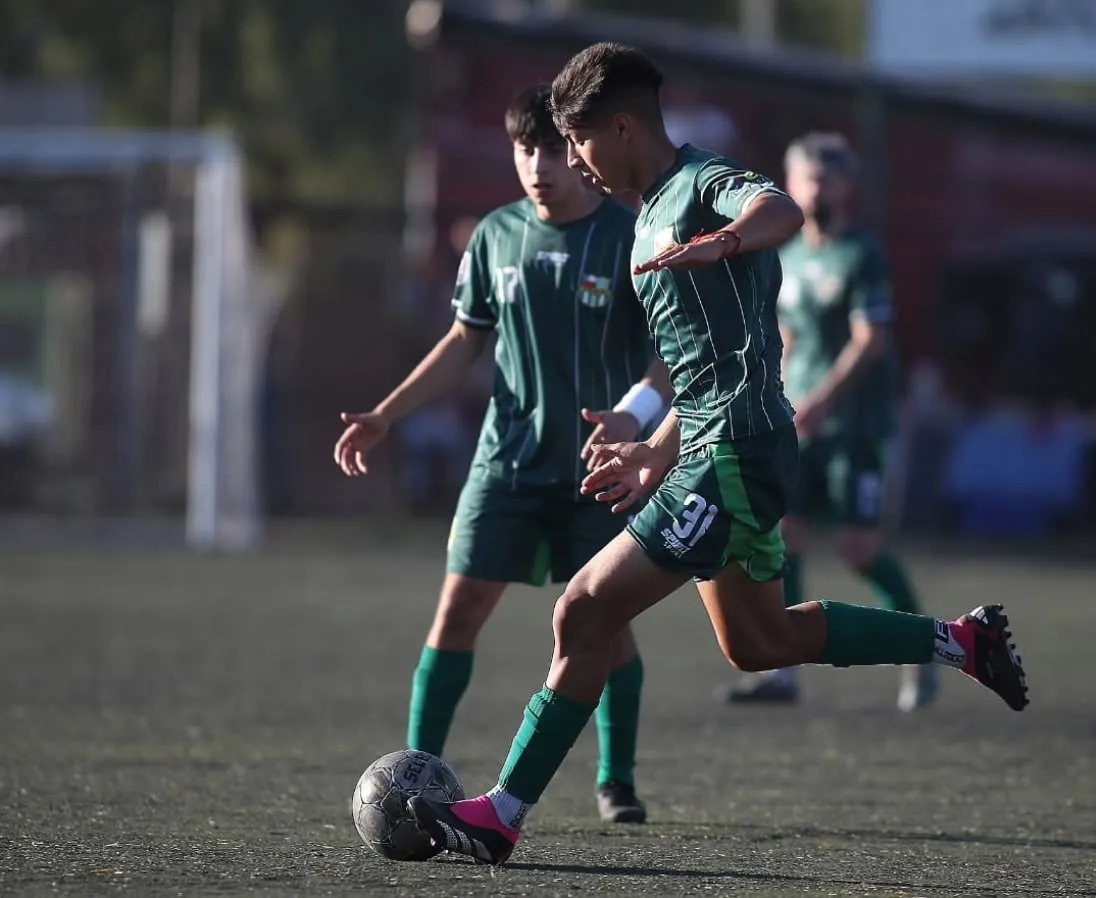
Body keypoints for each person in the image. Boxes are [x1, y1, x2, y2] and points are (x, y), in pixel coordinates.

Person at [407, 43, 1029, 866]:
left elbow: (782, 212)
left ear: (623, 126)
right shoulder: (643, 217)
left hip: (736, 452)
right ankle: (962, 642)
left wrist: (725, 242)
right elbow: (703, 370)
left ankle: (502, 815)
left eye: (582, 140)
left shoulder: (700, 184)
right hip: (719, 445)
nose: (576, 161)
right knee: (759, 643)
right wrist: (652, 453)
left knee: (584, 608)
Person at [333, 84, 673, 825]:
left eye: (552, 148)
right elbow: (464, 342)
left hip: (600, 472)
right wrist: (387, 415)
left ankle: (617, 780)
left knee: (605, 626)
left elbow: (672, 356)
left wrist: (632, 415)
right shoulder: (494, 236)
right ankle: (414, 774)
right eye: (525, 149)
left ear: (581, 152)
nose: (538, 164)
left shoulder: (630, 237)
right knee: (457, 609)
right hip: (506, 465)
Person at [720, 133, 938, 711]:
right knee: (783, 539)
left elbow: (870, 343)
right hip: (797, 424)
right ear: (789, 185)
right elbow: (786, 336)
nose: (816, 188)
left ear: (847, 186)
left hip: (855, 427)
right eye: (806, 177)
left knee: (859, 549)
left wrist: (820, 399)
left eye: (827, 178)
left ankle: (927, 655)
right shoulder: (786, 256)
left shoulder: (861, 254)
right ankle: (782, 672)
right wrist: (778, 395)